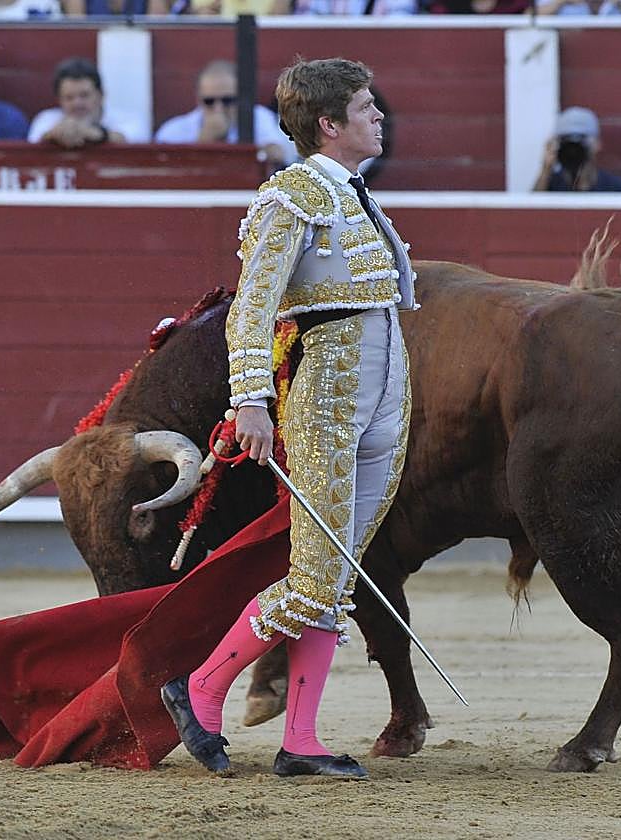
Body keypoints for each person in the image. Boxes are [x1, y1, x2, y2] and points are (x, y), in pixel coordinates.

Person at [160, 57, 416, 780]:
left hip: (382, 397)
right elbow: (251, 307)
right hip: (330, 400)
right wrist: (250, 400)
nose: (380, 117)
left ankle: (300, 739)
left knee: (334, 578)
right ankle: (201, 688)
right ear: (329, 125)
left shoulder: (353, 193)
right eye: (367, 108)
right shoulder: (291, 197)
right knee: (312, 579)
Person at [154, 60, 297, 170]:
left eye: (227, 101)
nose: (218, 108)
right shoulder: (174, 129)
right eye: (209, 101)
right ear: (198, 99)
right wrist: (203, 141)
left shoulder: (258, 117)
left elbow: (278, 154)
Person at [27, 57, 132, 147]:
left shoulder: (128, 119)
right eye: (69, 97)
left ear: (101, 95)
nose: (77, 103)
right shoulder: (45, 119)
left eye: (84, 95)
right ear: (59, 100)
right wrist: (54, 134)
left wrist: (96, 133)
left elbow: (133, 141)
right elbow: (33, 146)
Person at [533, 106, 621, 192]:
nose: (573, 150)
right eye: (566, 141)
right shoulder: (549, 185)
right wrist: (545, 170)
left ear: (597, 144)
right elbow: (532, 212)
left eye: (581, 140)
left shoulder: (617, 189)